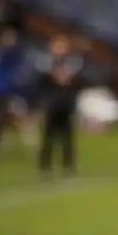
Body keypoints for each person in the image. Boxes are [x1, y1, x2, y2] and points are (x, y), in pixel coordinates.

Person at [36, 35, 83, 175]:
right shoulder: (45, 63)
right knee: (48, 137)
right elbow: (41, 82)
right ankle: (45, 166)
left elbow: (76, 80)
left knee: (67, 137)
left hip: (66, 105)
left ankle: (68, 166)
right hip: (51, 105)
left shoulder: (72, 62)